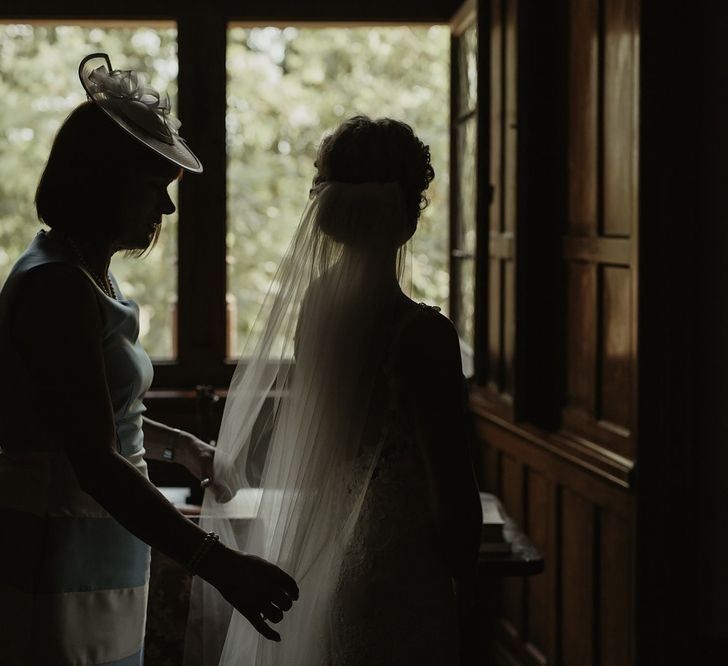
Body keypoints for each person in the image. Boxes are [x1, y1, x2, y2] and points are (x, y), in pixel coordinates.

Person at [0, 53, 298, 665]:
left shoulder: (87, 277)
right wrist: (220, 565)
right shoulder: (55, 287)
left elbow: (100, 413)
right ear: (104, 183)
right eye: (155, 187)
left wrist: (180, 446)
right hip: (58, 541)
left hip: (102, 538)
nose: (165, 210)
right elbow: (94, 459)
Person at [202, 116, 483, 665]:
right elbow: (452, 483)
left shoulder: (318, 312)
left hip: (327, 560)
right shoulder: (423, 334)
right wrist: (467, 586)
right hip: (405, 569)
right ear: (407, 215)